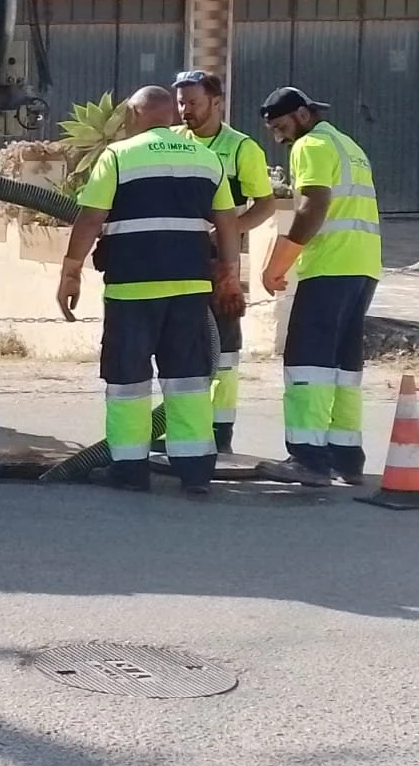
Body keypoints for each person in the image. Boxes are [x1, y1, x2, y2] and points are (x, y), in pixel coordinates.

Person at [57, 85, 242, 493]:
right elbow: (227, 223)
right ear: (170, 118)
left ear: (132, 116)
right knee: (190, 379)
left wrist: (70, 272)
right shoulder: (207, 158)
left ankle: (129, 469)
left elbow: (90, 219)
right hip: (190, 291)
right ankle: (195, 470)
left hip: (131, 291)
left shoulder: (119, 156)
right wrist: (229, 274)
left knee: (128, 381)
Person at [259, 86, 381, 484]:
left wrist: (277, 265)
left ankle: (308, 459)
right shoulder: (348, 145)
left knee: (307, 363)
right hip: (362, 268)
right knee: (343, 367)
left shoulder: (310, 145)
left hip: (329, 266)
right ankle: (347, 457)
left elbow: (313, 205)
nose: (279, 136)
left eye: (281, 126)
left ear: (304, 115)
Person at [172, 70, 277, 452]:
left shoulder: (241, 148)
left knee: (225, 349)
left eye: (193, 103)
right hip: (178, 259)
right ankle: (185, 426)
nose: (185, 111)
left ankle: (220, 432)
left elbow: (265, 204)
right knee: (181, 345)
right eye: (181, 103)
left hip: (220, 263)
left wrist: (228, 232)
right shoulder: (173, 143)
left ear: (217, 103)